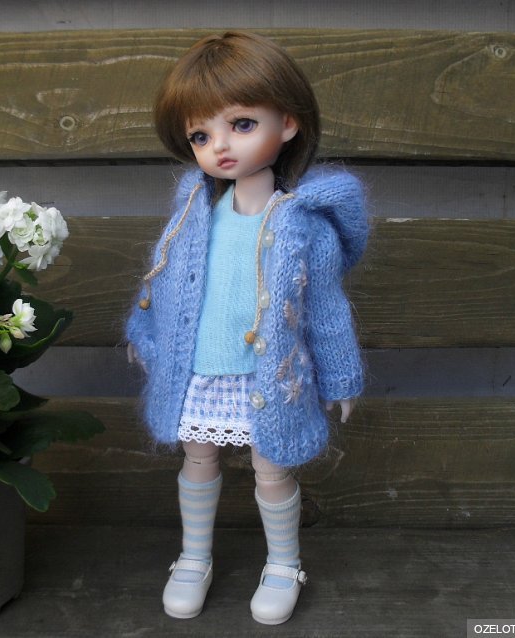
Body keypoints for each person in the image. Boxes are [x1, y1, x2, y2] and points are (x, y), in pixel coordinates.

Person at [125, 31, 368, 625]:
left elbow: (326, 308)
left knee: (272, 467)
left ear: (288, 123)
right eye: (201, 136)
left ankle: (284, 563)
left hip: (269, 376)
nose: (220, 146)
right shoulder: (193, 211)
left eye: (241, 124)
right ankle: (193, 557)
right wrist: (144, 331)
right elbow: (163, 281)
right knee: (198, 460)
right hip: (199, 371)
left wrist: (341, 376)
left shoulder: (303, 225)